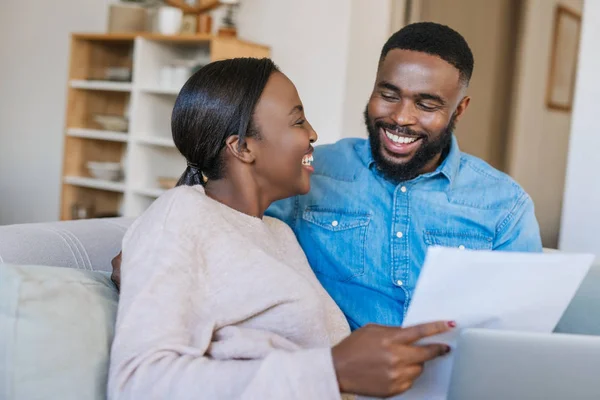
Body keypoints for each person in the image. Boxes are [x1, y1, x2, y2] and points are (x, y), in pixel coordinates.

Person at [108, 57, 454, 400]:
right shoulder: (180, 215)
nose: (313, 134)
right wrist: (333, 371)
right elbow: (138, 382)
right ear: (242, 147)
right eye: (298, 120)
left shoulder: (276, 231)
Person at [266, 22, 543, 330]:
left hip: (453, 374)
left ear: (459, 110)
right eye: (388, 94)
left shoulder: (505, 206)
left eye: (426, 104)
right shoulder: (310, 171)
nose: (400, 118)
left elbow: (521, 331)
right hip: (338, 371)